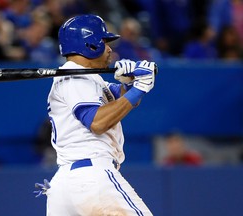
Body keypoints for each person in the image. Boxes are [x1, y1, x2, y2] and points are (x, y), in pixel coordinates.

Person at [34, 14, 156, 216]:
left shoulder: (87, 78)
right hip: (91, 178)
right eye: (104, 42)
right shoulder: (75, 76)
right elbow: (97, 122)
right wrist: (138, 89)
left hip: (66, 185)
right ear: (90, 44)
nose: (109, 49)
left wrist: (130, 83)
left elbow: (123, 100)